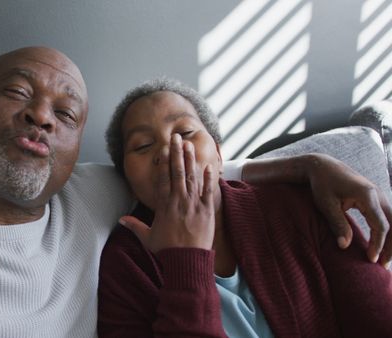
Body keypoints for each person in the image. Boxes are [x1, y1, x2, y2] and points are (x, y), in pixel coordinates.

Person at [0, 4, 391, 336]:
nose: (42, 119)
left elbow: (198, 174)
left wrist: (311, 164)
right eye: (18, 94)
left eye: (66, 112)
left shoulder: (88, 195)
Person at [98, 78, 392, 337]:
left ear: (218, 151)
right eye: (142, 146)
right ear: (126, 178)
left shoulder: (297, 205)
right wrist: (185, 260)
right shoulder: (124, 266)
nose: (169, 150)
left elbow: (377, 315)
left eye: (185, 132)